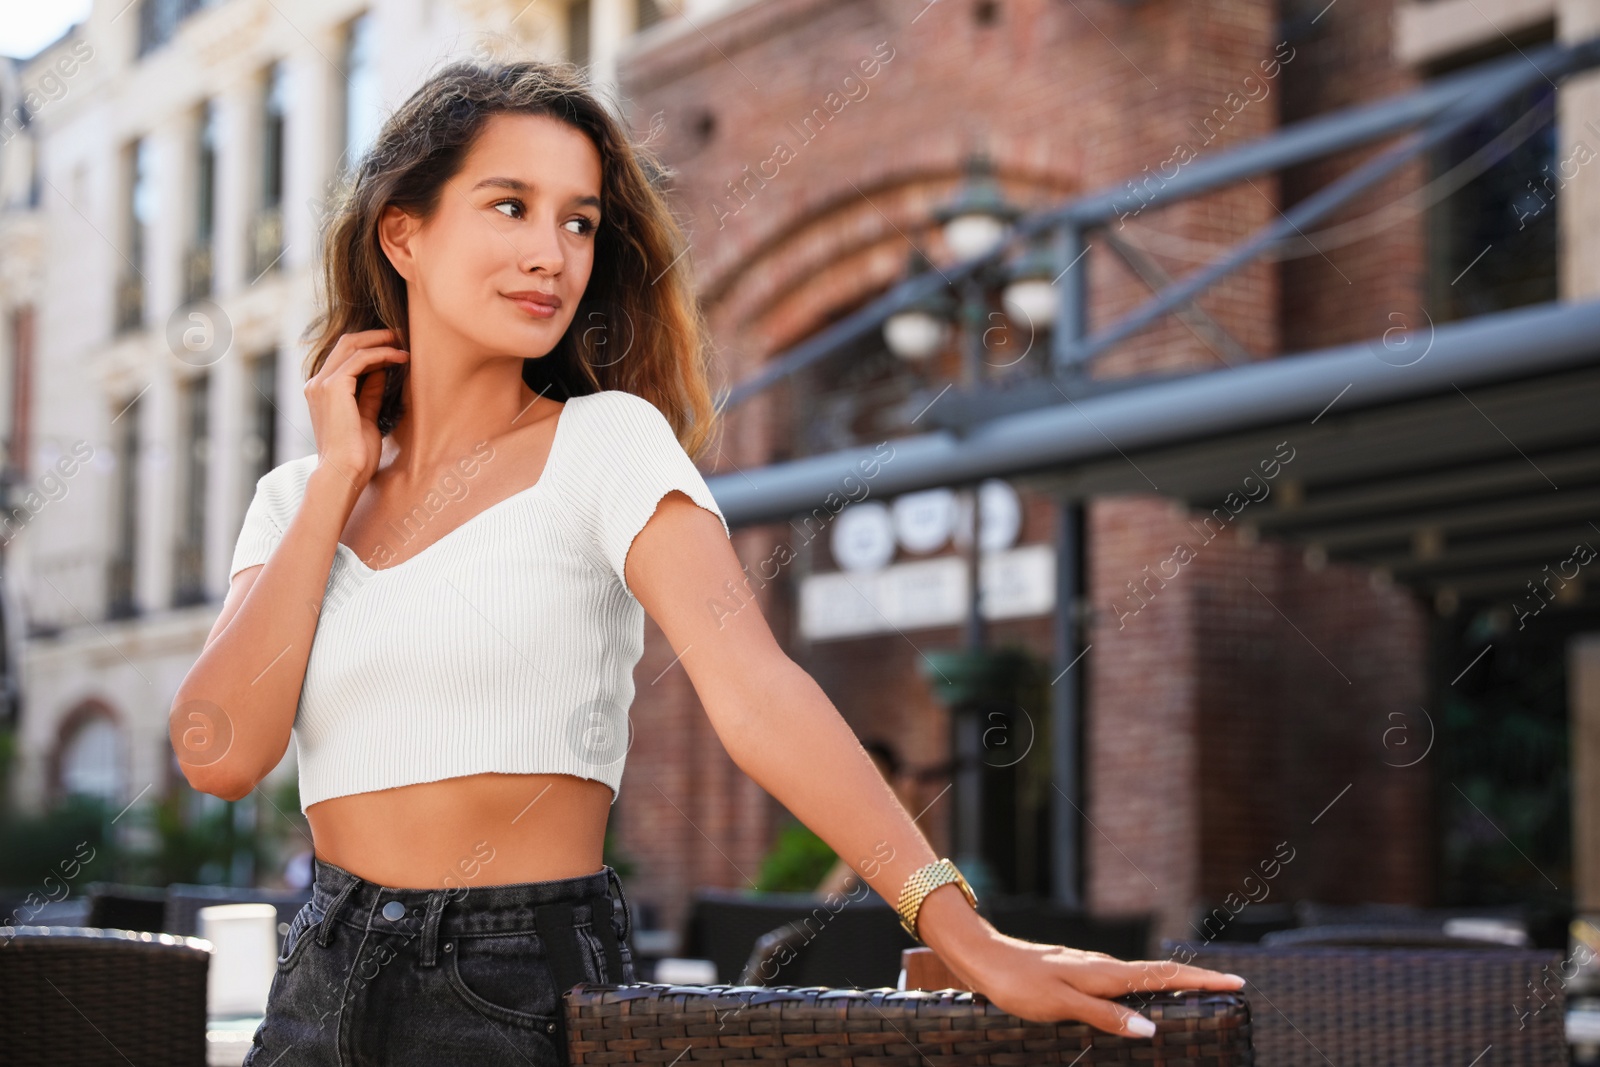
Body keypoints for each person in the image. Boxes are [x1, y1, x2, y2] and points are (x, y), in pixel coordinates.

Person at [170, 59, 1244, 1067]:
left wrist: (957, 925)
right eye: (510, 206)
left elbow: (757, 691)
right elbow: (219, 752)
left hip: (512, 977)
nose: (552, 252)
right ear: (402, 234)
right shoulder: (294, 499)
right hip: (320, 971)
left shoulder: (608, 443)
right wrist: (335, 481)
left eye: (578, 220)